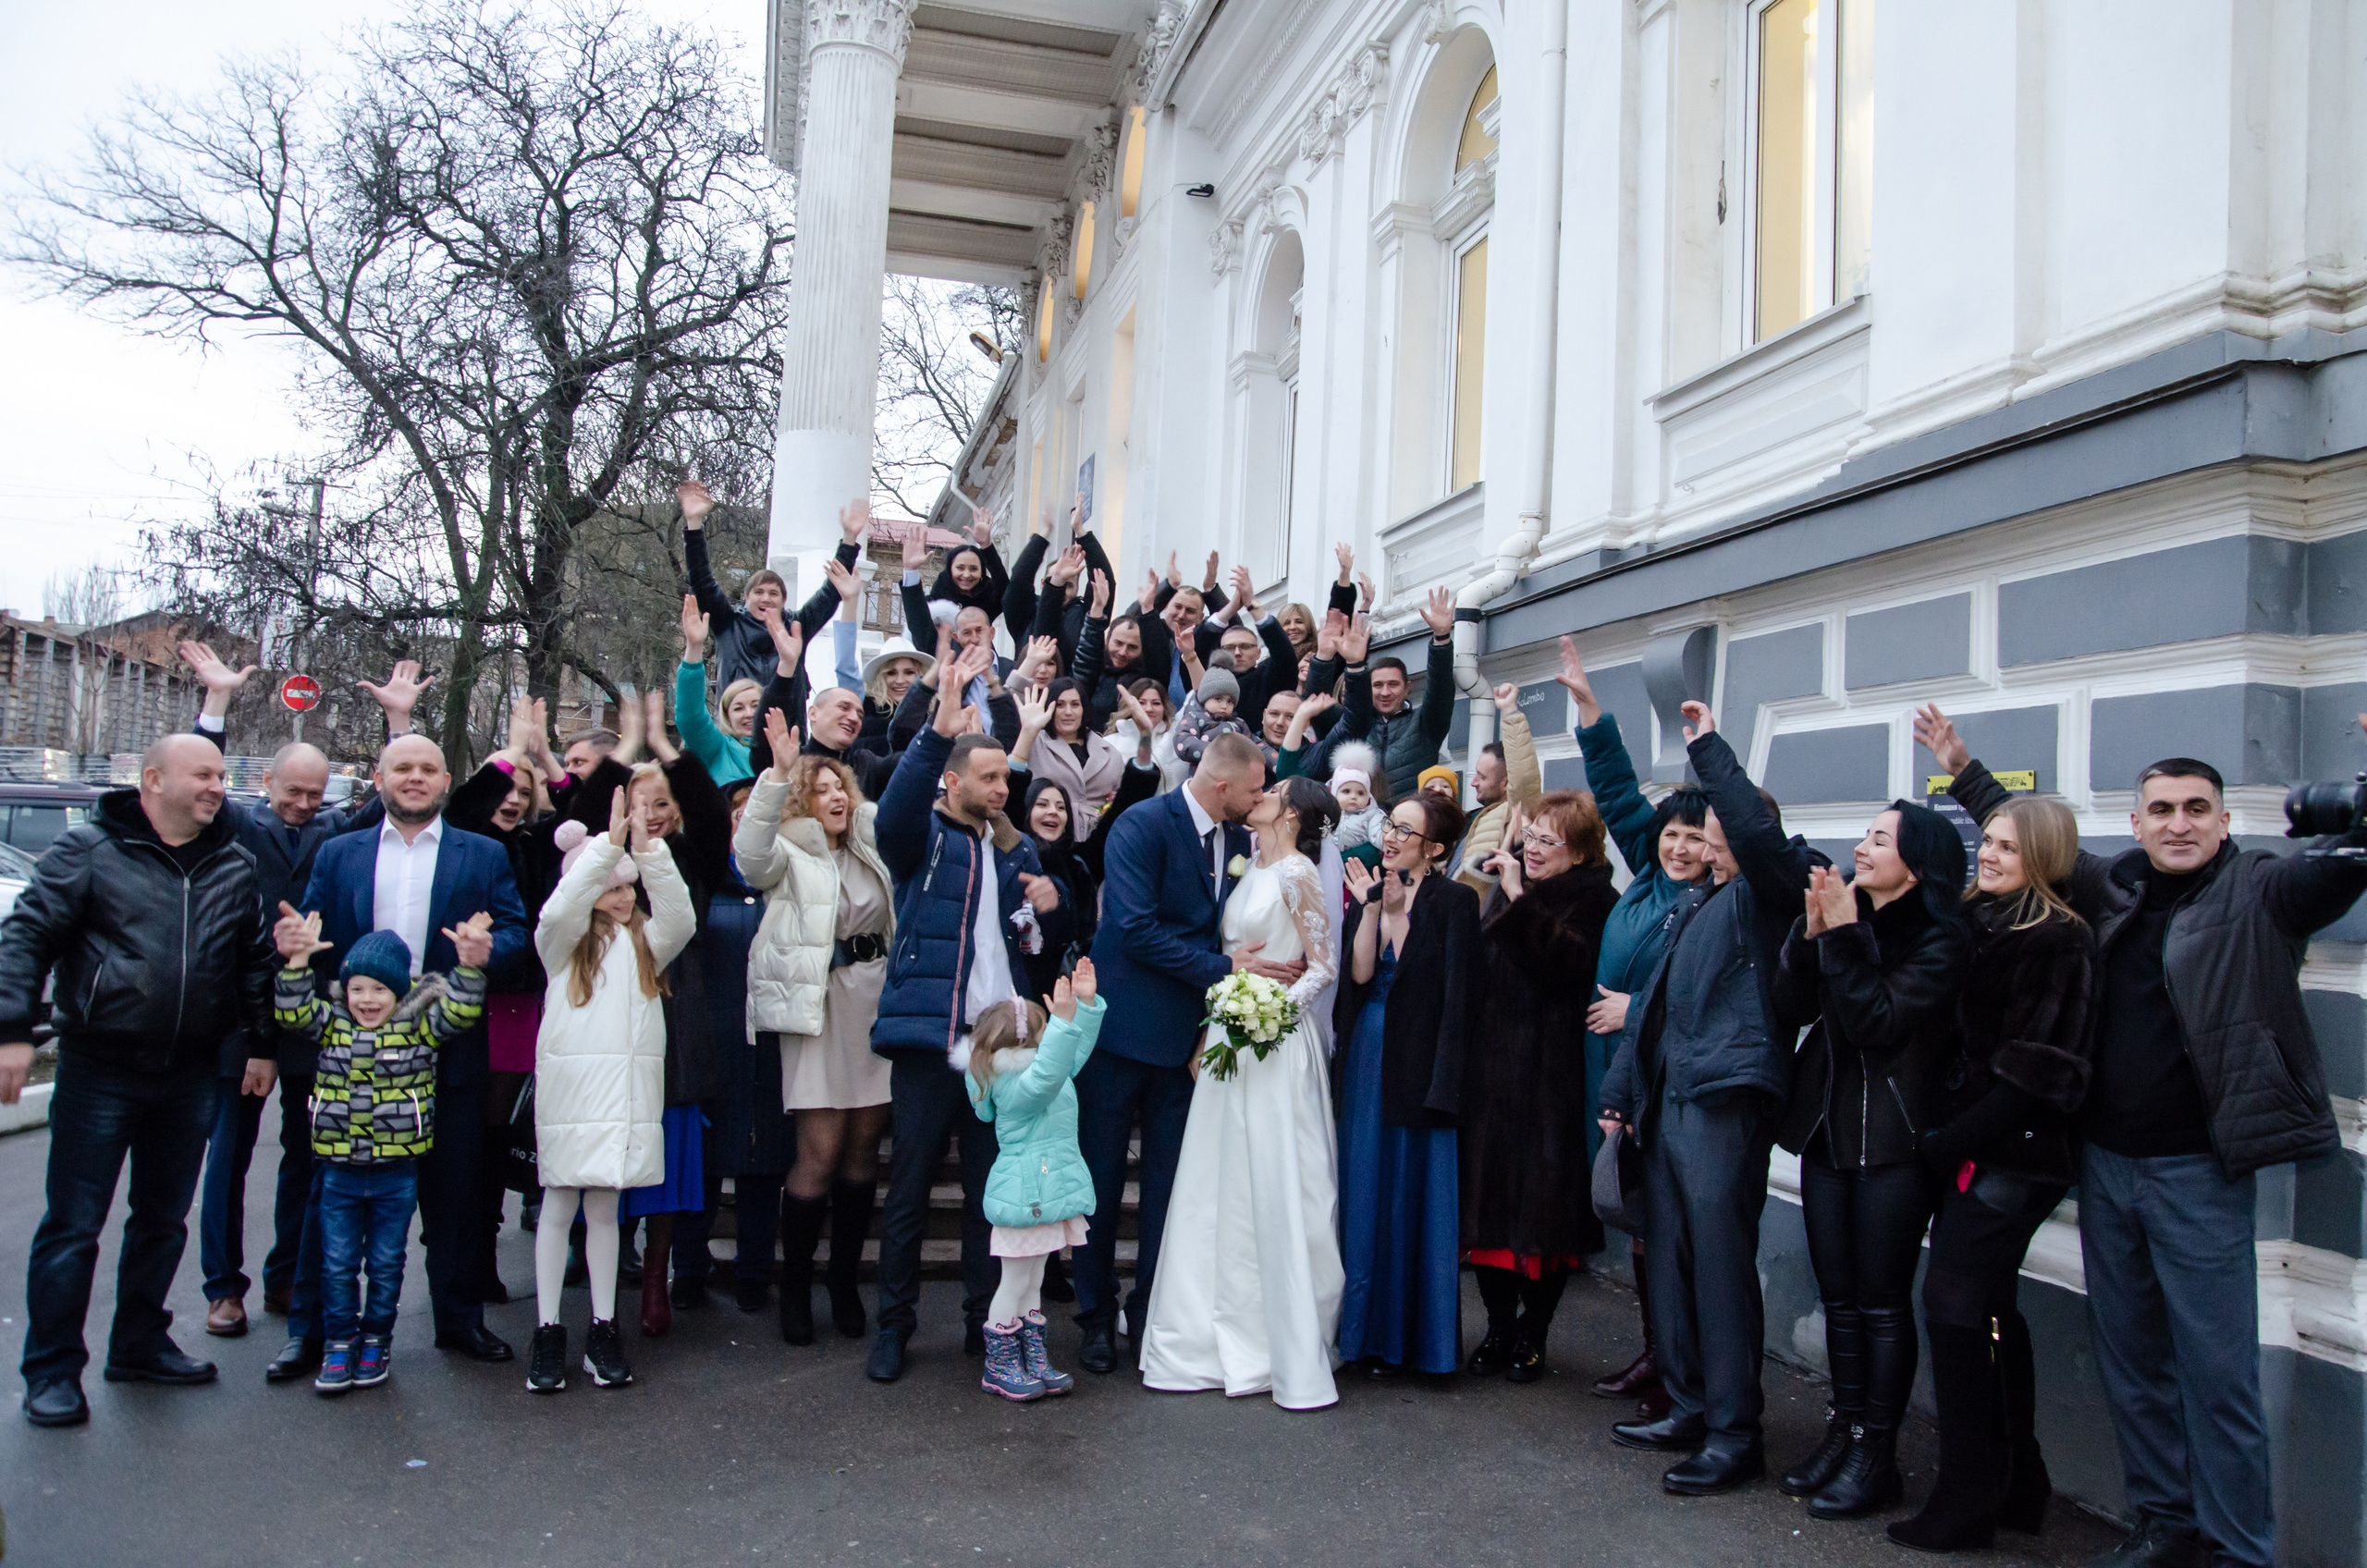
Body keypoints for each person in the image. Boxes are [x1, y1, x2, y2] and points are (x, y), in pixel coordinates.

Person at [1918, 706, 2367, 1568]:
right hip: (2106, 1166)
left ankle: (2239, 1550)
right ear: (2137, 823)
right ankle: (2165, 1523)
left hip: (2198, 1172)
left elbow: (2341, 872)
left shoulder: (2262, 892)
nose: (2179, 824)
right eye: (2161, 810)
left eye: (2197, 808)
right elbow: (2046, 850)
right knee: (2132, 1361)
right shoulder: (2115, 885)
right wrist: (1965, 767)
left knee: (2218, 1376)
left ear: (2226, 820)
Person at [2, 735, 282, 1427]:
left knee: (162, 1220)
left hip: (190, 1072)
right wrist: (11, 1030)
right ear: (153, 781)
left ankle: (138, 1343)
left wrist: (262, 1044)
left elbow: (251, 962)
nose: (218, 786)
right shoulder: (90, 852)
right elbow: (27, 936)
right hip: (102, 1067)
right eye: (204, 774)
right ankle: (52, 1370)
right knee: (74, 1226)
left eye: (221, 775)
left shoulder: (233, 864)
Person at [1598, 700, 1816, 1495]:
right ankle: (1688, 1405)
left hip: (1723, 1102)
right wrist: (1622, 1091)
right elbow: (1651, 1007)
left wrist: (1709, 748)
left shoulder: (1771, 890)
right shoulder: (1698, 900)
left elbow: (1758, 837)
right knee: (1675, 1265)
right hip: (1670, 1099)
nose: (1705, 831)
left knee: (1720, 1271)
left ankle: (1733, 1431)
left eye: (1722, 817)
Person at [1887, 795, 2094, 1552]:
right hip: (1977, 1144)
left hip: (2013, 1154)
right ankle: (2017, 1481)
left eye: (2009, 847)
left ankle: (1968, 1497)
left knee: (1955, 1307)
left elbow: (2037, 1072)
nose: (1992, 855)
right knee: (1991, 1309)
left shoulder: (2057, 941)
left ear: (2042, 855)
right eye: (1990, 842)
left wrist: (1948, 1145)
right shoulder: (1981, 921)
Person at [291, 732, 531, 1377]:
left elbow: (515, 932)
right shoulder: (339, 852)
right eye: (403, 768)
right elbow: (308, 938)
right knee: (330, 1199)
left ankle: (458, 1321)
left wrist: (488, 952)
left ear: (447, 779)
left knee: (453, 1195)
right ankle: (312, 1330)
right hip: (356, 1057)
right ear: (379, 777)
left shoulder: (479, 854)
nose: (415, 778)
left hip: (446, 1046)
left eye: (427, 768)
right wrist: (294, 949)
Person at [864, 635, 1069, 1384]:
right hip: (931, 1040)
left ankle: (989, 1328)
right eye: (987, 777)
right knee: (911, 1191)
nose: (1003, 786)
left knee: (998, 1198)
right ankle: (894, 1329)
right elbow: (892, 813)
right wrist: (937, 725)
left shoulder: (1012, 848)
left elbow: (1044, 924)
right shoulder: (920, 839)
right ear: (953, 782)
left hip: (1000, 1050)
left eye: (1004, 777)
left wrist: (1056, 895)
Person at [178, 639, 397, 1338]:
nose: (302, 805)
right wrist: (216, 703)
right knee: (229, 1160)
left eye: (314, 792)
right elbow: (202, 793)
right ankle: (222, 1287)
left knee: (307, 1159)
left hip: (310, 1025)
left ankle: (284, 1278)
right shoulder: (239, 827)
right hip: (237, 1021)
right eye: (291, 792)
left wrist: (398, 724)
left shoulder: (337, 833)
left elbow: (393, 793)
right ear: (267, 785)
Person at [1772, 804, 1969, 1518]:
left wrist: (1844, 936)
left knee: (1882, 1303)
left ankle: (1875, 1454)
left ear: (1916, 863)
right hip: (1828, 1131)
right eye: (1864, 836)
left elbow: (1875, 1020)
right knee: (1841, 1300)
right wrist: (1810, 934)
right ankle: (1845, 1430)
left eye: (1879, 839)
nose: (1859, 848)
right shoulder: (1847, 916)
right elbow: (1791, 1005)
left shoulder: (1941, 937)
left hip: (1895, 1142)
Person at [1076, 732, 1289, 1375]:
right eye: (1255, 789)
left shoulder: (1240, 842)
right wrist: (1222, 969)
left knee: (1170, 1189)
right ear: (1222, 785)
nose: (1261, 801)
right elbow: (1132, 928)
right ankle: (1093, 1316)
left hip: (1189, 1046)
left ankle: (1151, 1315)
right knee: (1102, 1182)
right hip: (1118, 1036)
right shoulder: (1141, 824)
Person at [1141, 775, 1344, 1409]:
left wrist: (1275, 1013)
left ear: (1294, 811)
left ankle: (1278, 1341)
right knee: (1217, 1186)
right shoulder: (1247, 864)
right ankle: (1199, 1340)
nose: (1260, 792)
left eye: (1274, 789)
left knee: (1280, 1182)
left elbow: (1323, 965)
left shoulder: (1298, 873)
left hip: (1276, 1044)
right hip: (1231, 1035)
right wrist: (1219, 1026)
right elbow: (1232, 954)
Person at [1561, 636, 1709, 1415]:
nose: (1680, 846)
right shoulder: (1650, 875)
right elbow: (1618, 795)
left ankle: (1680, 1364)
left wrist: (1632, 1010)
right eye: (1673, 834)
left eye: (1694, 836)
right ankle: (1660, 1353)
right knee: (1641, 1227)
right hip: (1611, 1070)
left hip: (1659, 1077)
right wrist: (1589, 712)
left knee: (1667, 1227)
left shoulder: (1708, 904)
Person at [268, 916, 491, 1394]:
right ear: (343, 991)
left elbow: (463, 1012)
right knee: (339, 1263)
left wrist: (470, 968)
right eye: (357, 989)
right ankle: (338, 1343)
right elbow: (291, 1011)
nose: (367, 1000)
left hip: (396, 1173)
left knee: (387, 1263)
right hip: (339, 1173)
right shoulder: (331, 1026)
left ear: (401, 991)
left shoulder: (418, 1029)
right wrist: (298, 961)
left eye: (379, 990)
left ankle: (376, 1342)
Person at [735, 712, 897, 1345]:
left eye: (842, 789)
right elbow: (748, 857)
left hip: (872, 1003)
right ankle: (796, 1287)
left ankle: (843, 1283)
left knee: (862, 1153)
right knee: (820, 1154)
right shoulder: (788, 855)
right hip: (817, 1008)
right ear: (804, 801)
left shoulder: (868, 846)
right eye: (822, 789)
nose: (834, 796)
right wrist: (776, 776)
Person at [526, 797, 696, 1393]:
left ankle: (604, 1327)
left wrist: (646, 850)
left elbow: (680, 913)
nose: (622, 898)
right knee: (557, 1209)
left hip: (623, 1102)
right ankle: (547, 1330)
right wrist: (604, 850)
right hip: (572, 1098)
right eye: (609, 889)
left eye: (627, 889)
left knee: (605, 1213)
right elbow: (559, 912)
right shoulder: (564, 946)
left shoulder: (647, 945)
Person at [1462, 791, 1620, 1383]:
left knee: (1546, 1217)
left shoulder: (1596, 899)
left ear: (1578, 853)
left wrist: (1518, 901)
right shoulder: (1509, 886)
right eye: (1529, 837)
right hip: (1491, 1074)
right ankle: (1499, 1326)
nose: (1531, 849)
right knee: (1489, 1215)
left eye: (1547, 841)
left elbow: (1565, 964)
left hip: (1548, 1077)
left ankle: (1534, 1333)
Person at [1333, 792, 1480, 1378]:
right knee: (1367, 1185)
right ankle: (1364, 1338)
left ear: (1436, 848)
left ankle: (1419, 1346)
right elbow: (1362, 975)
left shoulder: (1456, 901)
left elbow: (1457, 994)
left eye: (1406, 831)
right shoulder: (1371, 887)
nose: (1391, 837)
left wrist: (1399, 913)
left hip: (1424, 1062)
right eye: (1391, 825)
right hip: (1371, 1050)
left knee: (1416, 1197)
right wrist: (1374, 910)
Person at [964, 963, 1108, 1400]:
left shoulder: (1039, 1071)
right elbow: (1049, 1074)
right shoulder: (1013, 1083)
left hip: (1042, 1193)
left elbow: (1069, 1059)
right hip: (1025, 1194)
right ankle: (1000, 1364)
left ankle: (1031, 1357)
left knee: (1032, 1279)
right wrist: (1064, 1023)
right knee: (1014, 1280)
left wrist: (1084, 1007)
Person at [678, 477, 865, 692]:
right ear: (746, 599)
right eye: (758, 592)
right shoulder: (728, 623)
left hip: (787, 725)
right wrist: (694, 524)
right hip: (736, 723)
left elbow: (831, 592)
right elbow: (702, 581)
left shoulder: (797, 627)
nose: (766, 598)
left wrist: (850, 539)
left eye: (773, 593)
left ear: (784, 601)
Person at [1323, 587, 1459, 801]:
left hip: (1412, 823)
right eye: (1377, 685)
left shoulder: (1425, 724)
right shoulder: (1355, 725)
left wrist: (1441, 639)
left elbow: (1440, 688)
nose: (1385, 692)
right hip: (1363, 824)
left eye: (1393, 684)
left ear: (1407, 687)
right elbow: (1318, 699)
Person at [1453, 684, 1542, 897]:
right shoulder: (1475, 817)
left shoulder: (1515, 813)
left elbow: (1523, 778)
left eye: (1482, 777)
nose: (1473, 783)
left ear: (1506, 783)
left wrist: (1510, 712)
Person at [1012, 677, 1127, 835]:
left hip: (1097, 838)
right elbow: (1012, 780)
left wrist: (1107, 809)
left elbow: (1120, 797)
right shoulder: (1032, 742)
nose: (1068, 712)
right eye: (1060, 705)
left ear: (1084, 709)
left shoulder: (1108, 750)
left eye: (1075, 704)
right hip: (1047, 835)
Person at [674, 594, 761, 787]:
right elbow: (690, 717)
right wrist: (694, 647)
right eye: (738, 708)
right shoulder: (717, 749)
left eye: (756, 706)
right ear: (727, 716)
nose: (749, 714)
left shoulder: (786, 752)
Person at [859, 637, 932, 757]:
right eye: (891, 673)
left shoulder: (933, 717)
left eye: (909, 672)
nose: (900, 680)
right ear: (880, 678)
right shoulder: (865, 721)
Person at [1328, 742, 1389, 871]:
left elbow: (1378, 834)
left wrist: (1386, 842)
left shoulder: (1373, 814)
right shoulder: (1326, 812)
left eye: (1360, 793)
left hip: (1360, 869)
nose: (1353, 797)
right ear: (1334, 792)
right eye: (1346, 791)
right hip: (1329, 864)